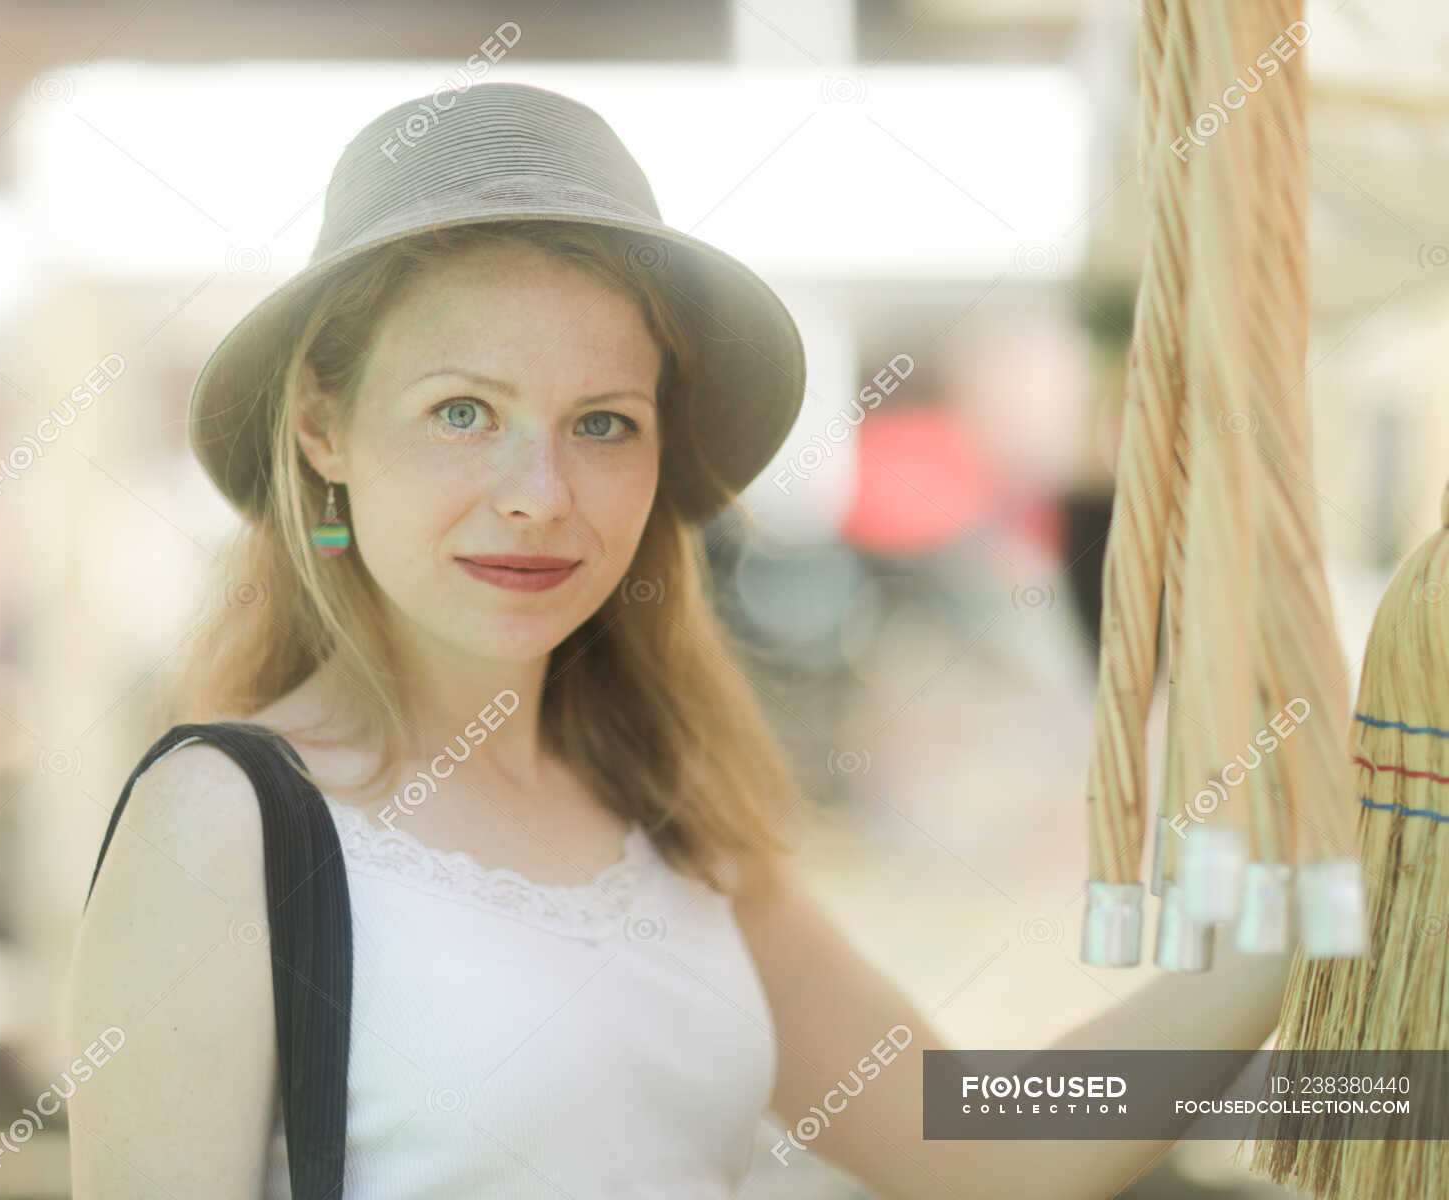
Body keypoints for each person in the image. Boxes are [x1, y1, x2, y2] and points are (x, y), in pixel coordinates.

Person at [65, 81, 1292, 1199]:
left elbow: (971, 1141)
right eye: (462, 411)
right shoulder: (226, 821)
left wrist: (1295, 930)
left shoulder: (665, 813)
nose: (539, 490)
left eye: (601, 423)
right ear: (323, 429)